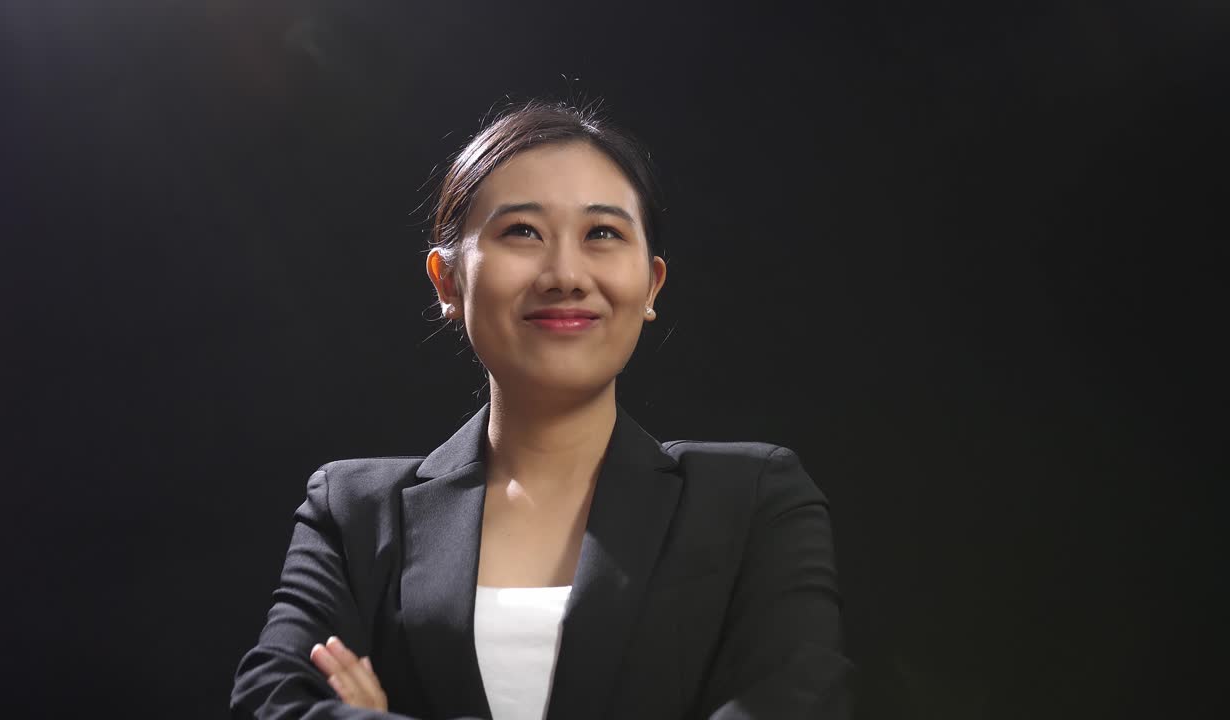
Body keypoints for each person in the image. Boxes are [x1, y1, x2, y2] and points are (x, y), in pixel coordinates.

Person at [230, 97, 853, 720]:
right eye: (521, 232)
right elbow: (271, 705)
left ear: (652, 285)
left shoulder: (754, 500)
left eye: (602, 234)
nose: (565, 274)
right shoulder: (354, 514)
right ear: (448, 283)